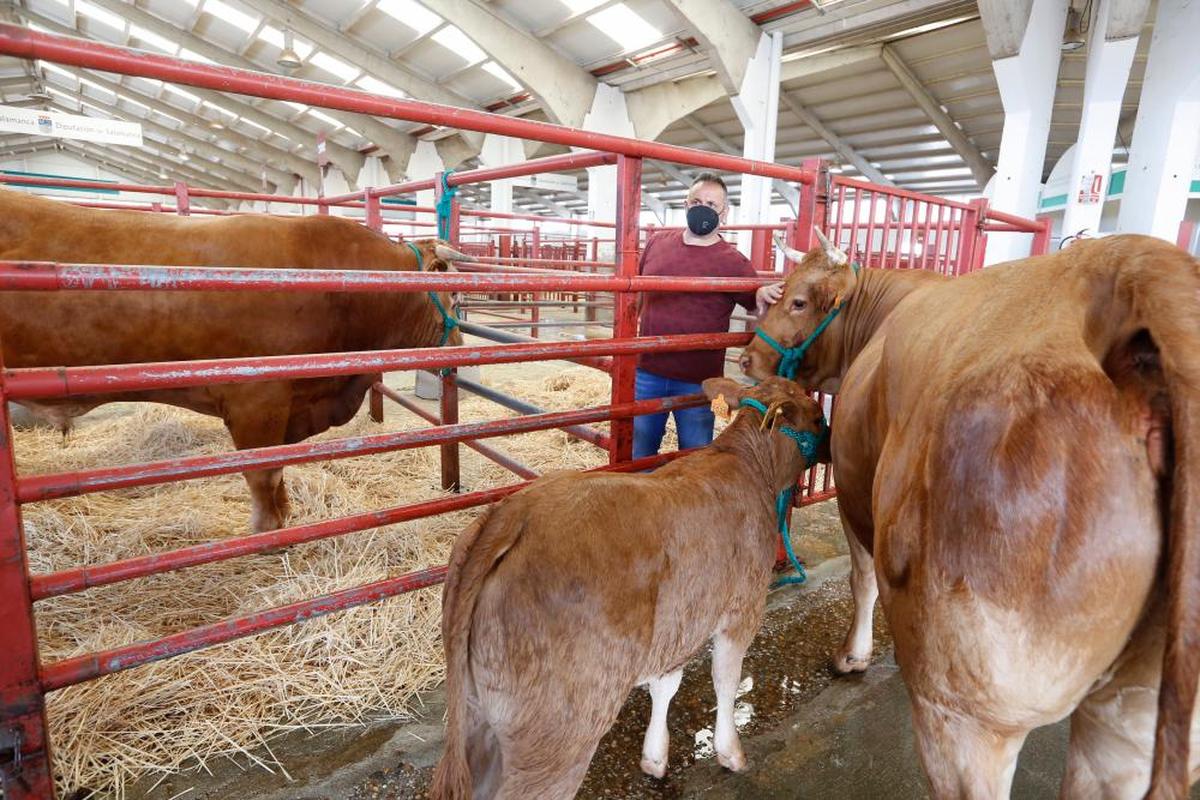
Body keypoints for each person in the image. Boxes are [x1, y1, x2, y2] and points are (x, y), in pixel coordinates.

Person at [634, 173, 783, 458]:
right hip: (648, 370)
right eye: (696, 201)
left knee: (698, 451)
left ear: (723, 213)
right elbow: (639, 294)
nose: (702, 208)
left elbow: (756, 302)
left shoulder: (734, 262)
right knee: (639, 447)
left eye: (712, 205)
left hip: (703, 380)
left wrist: (762, 294)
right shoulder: (657, 244)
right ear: (686, 204)